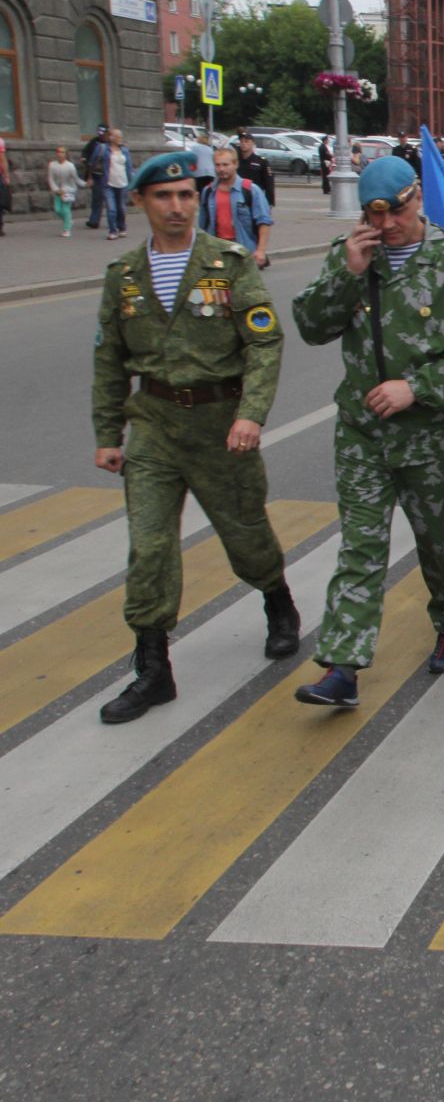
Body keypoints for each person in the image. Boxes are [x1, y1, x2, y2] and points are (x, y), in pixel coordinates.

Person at [89, 151, 297, 724]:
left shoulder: (227, 263)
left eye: (185, 196)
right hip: (154, 425)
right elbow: (109, 360)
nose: (177, 207)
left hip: (220, 425)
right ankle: (153, 668)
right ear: (140, 203)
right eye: (163, 197)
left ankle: (276, 599)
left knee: (245, 535)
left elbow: (263, 342)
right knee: (149, 547)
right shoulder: (124, 276)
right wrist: (109, 433)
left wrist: (250, 414)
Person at [288, 155, 444, 708]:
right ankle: (342, 666)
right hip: (362, 433)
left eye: (395, 212)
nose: (384, 226)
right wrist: (346, 275)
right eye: (373, 215)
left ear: (417, 199)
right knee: (360, 547)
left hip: (430, 435)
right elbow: (310, 327)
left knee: (441, 543)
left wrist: (417, 386)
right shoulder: (353, 255)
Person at [197, 147, 274, 269]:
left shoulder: (250, 190)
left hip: (244, 253)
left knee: (245, 287)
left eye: (225, 165)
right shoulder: (208, 191)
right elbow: (201, 226)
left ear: (235, 164)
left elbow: (264, 222)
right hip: (217, 252)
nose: (221, 169)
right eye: (217, 165)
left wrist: (261, 250)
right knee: (218, 287)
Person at [232, 131, 277, 208]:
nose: (243, 144)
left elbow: (269, 184)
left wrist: (269, 202)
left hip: (255, 198)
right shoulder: (235, 161)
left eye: (246, 141)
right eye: (241, 141)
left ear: (252, 143)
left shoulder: (261, 161)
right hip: (238, 198)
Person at [102, 130, 132, 240]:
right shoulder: (105, 150)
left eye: (121, 136)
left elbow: (128, 168)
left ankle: (122, 228)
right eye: (117, 136)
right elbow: (93, 161)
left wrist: (132, 182)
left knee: (121, 208)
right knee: (111, 209)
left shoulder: (124, 150)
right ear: (111, 138)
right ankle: (112, 231)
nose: (120, 138)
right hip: (108, 184)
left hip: (122, 183)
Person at [47, 144, 80, 237]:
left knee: (66, 209)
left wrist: (71, 189)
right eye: (58, 152)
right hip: (58, 190)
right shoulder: (52, 165)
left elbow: (75, 179)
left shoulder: (70, 166)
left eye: (62, 152)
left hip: (68, 190)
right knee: (57, 209)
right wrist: (56, 190)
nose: (60, 154)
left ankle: (67, 229)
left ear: (66, 154)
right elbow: (51, 178)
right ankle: (68, 220)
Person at [83, 124, 111, 229]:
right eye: (99, 133)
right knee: (97, 198)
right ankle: (94, 220)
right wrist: (84, 158)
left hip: (109, 176)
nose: (101, 135)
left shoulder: (111, 145)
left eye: (103, 133)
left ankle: (115, 221)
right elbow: (86, 154)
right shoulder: (94, 142)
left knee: (110, 199)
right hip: (96, 175)